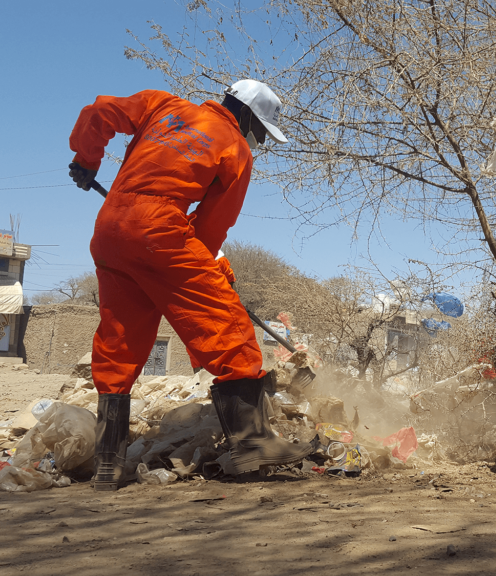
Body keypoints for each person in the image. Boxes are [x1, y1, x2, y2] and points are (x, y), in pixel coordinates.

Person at [68, 80, 314, 491]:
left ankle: (108, 464)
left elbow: (99, 112)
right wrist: (210, 271)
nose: (258, 141)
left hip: (111, 229)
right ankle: (253, 444)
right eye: (260, 131)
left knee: (119, 340)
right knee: (230, 329)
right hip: (161, 231)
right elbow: (212, 227)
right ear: (248, 116)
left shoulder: (161, 105)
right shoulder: (235, 148)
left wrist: (87, 158)